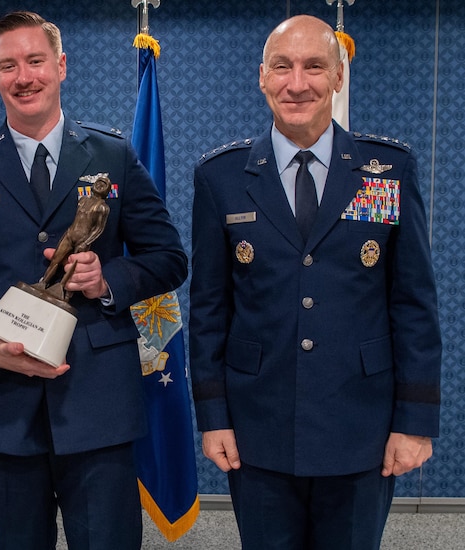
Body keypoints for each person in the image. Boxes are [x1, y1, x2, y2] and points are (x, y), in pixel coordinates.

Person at [0, 11, 187, 550]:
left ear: (60, 66)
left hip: (97, 403)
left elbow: (168, 257)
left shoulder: (113, 155)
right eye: (8, 65)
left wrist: (106, 279)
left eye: (36, 61)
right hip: (3, 403)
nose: (24, 77)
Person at [189, 15, 441, 549]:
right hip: (258, 425)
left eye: (313, 67)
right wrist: (213, 417)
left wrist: (415, 421)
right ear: (262, 77)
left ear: (338, 77)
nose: (297, 83)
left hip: (361, 425)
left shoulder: (386, 171)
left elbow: (414, 303)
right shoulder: (222, 177)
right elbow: (210, 308)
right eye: (282, 66)